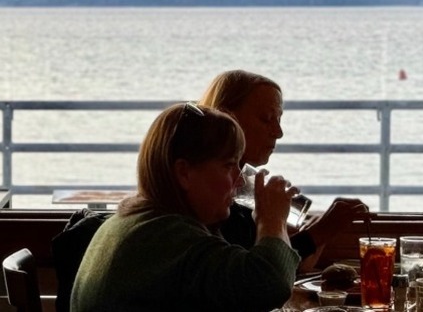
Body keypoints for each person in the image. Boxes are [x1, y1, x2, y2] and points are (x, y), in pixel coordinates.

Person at [71, 103, 300, 312]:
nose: (239, 181)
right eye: (229, 165)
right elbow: (269, 284)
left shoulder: (130, 222)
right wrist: (272, 219)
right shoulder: (168, 238)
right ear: (184, 173)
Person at [198, 69, 369, 271]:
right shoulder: (214, 194)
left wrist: (315, 230)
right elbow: (256, 274)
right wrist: (320, 231)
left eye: (279, 119)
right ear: (226, 118)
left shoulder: (247, 184)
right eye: (266, 118)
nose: (279, 133)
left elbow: (294, 264)